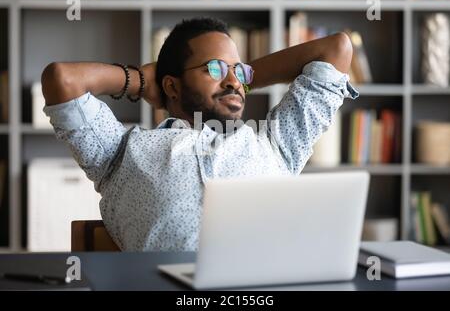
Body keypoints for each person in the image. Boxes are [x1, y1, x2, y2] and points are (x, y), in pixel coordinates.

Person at [41, 17, 359, 251]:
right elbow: (62, 79)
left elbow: (336, 49)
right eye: (215, 68)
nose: (235, 82)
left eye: (240, 72)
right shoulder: (120, 152)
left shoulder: (278, 143)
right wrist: (140, 79)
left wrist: (235, 78)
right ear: (172, 85)